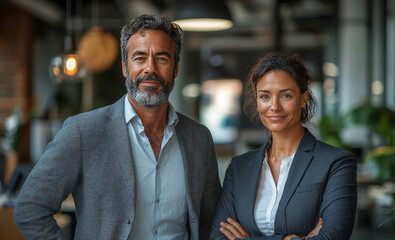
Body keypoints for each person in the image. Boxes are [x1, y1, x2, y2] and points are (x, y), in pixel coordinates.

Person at [14, 14, 221, 240]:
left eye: (161, 58)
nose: (150, 68)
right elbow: (30, 208)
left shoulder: (199, 138)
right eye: (139, 58)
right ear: (125, 67)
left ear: (176, 69)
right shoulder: (83, 132)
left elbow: (209, 220)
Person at [210, 52, 357, 240]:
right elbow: (217, 236)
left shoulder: (335, 163)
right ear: (257, 101)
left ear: (303, 99)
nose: (274, 106)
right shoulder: (238, 168)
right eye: (265, 96)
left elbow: (332, 237)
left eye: (286, 95)